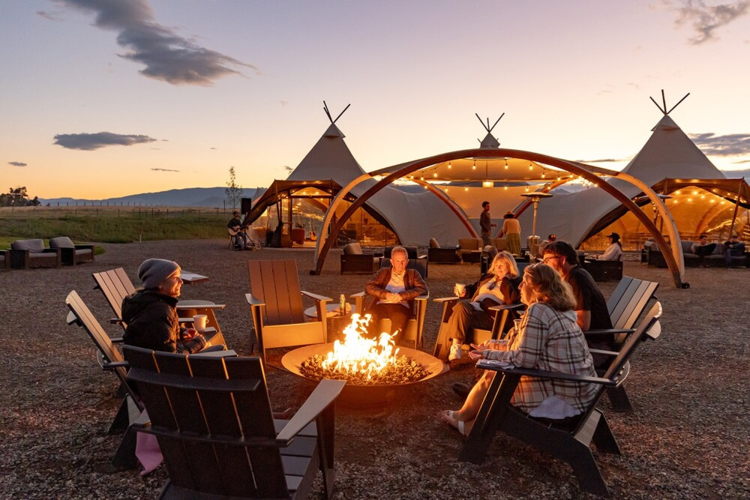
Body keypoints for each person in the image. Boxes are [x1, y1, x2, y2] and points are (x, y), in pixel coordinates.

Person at [439, 263, 598, 436]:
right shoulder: (560, 309)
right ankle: (469, 421)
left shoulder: (539, 310)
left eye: (524, 282)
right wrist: (491, 345)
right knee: (494, 370)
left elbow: (524, 360)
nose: (520, 287)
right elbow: (526, 346)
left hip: (560, 402)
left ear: (537, 289)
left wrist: (487, 354)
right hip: (577, 394)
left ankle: (465, 420)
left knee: (493, 374)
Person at [542, 241, 614, 366]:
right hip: (588, 342)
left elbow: (583, 324)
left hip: (595, 348)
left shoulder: (577, 279)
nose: (545, 264)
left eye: (547, 260)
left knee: (538, 356)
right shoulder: (576, 274)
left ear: (563, 259)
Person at [446, 251, 521, 364]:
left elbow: (512, 299)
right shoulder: (488, 277)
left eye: (502, 265)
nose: (498, 268)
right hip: (473, 310)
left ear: (510, 266)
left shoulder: (514, 282)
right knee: (460, 308)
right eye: (496, 265)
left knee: (458, 311)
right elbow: (474, 288)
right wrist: (465, 292)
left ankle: (451, 351)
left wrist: (505, 279)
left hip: (492, 316)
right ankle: (455, 349)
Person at [122, 258, 207, 353]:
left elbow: (158, 333)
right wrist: (198, 343)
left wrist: (181, 332)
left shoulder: (147, 303)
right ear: (159, 283)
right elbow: (171, 356)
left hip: (145, 360)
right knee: (218, 350)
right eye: (175, 278)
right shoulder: (159, 312)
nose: (181, 281)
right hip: (160, 362)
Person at [364, 246, 427, 341]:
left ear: (407, 261)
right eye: (397, 261)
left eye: (403, 261)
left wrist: (401, 296)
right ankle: (371, 345)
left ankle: (391, 346)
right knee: (370, 316)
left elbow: (422, 289)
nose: (400, 264)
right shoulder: (383, 272)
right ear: (392, 261)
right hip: (381, 304)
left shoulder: (413, 274)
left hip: (401, 306)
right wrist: (385, 295)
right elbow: (369, 287)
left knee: (399, 320)